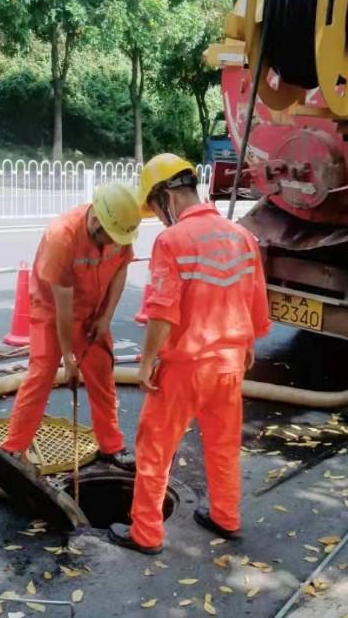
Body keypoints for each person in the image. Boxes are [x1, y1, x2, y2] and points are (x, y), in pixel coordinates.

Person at [109, 153, 270, 554]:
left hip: (185, 367)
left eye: (156, 205)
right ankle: (225, 517)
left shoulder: (173, 240)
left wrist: (147, 362)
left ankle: (145, 533)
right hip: (230, 364)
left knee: (155, 449)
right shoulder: (242, 236)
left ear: (166, 196)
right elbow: (255, 304)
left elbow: (163, 311)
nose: (159, 217)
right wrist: (246, 345)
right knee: (223, 444)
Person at [2, 182, 141, 471]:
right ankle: (14, 451)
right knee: (41, 377)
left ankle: (111, 446)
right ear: (95, 220)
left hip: (93, 313)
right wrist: (68, 357)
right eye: (108, 238)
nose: (112, 244)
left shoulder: (120, 228)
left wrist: (106, 318)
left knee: (102, 375)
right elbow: (63, 304)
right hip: (52, 313)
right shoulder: (62, 237)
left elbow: (120, 270)